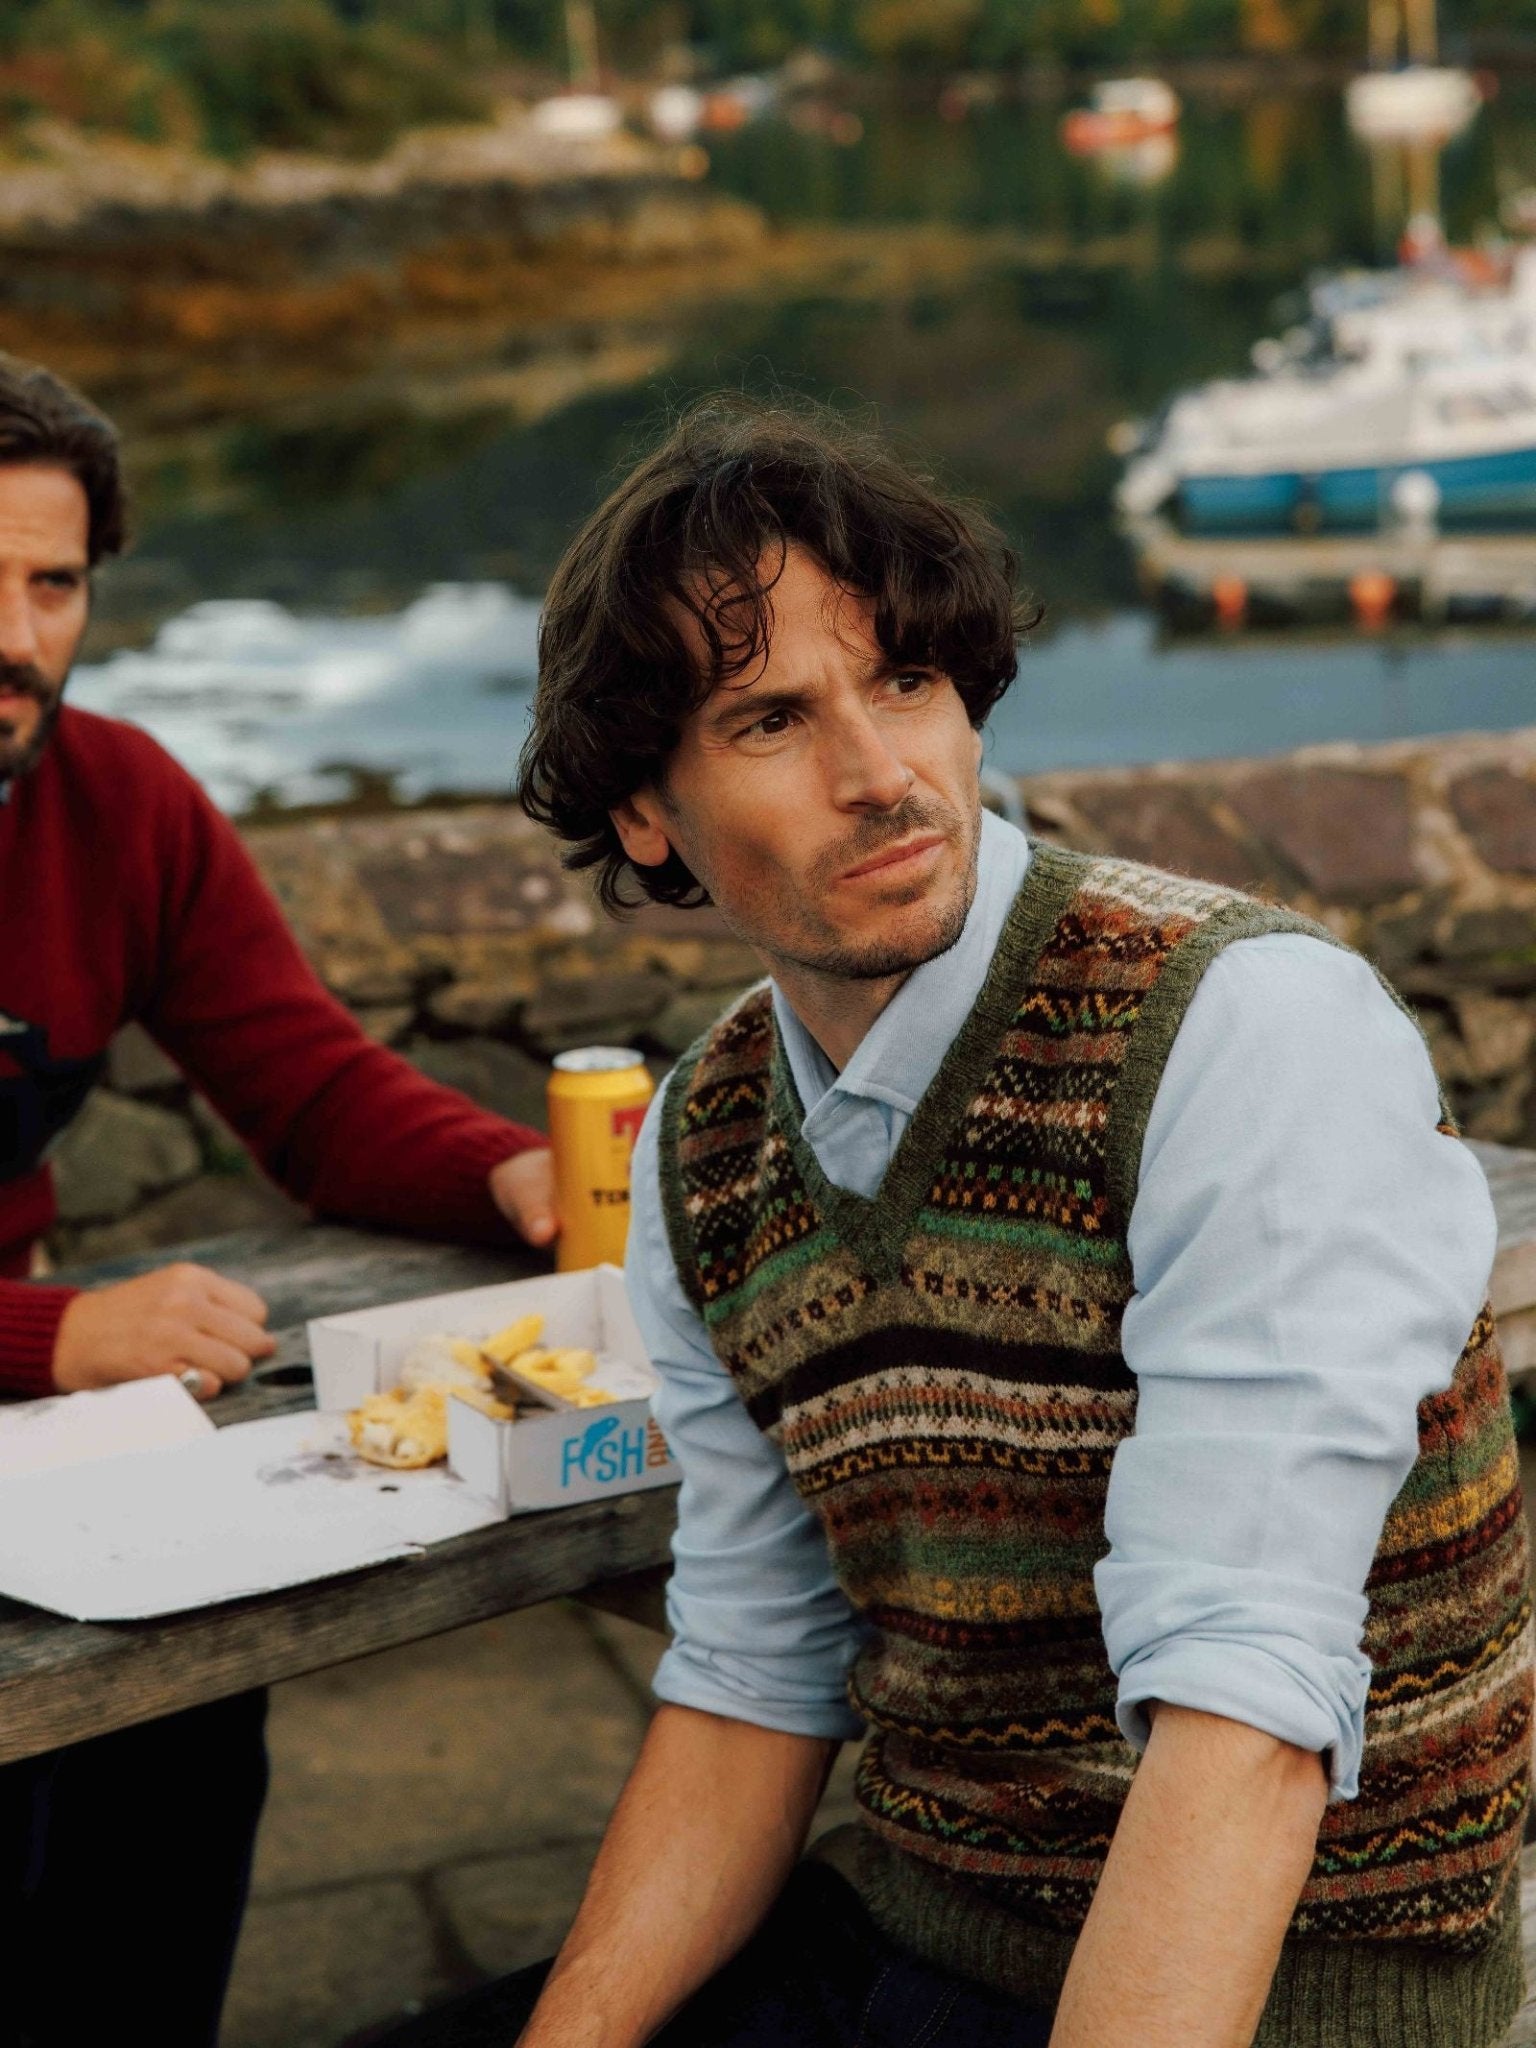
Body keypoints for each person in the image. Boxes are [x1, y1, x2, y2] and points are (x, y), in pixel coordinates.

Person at [383, 396, 1528, 2048]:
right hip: (935, 1923)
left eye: (907, 682)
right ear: (647, 810)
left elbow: (1247, 1718)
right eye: (772, 719)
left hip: (1292, 1978)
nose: (881, 777)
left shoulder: (1244, 1029)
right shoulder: (704, 1145)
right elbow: (753, 1678)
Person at [0, 352, 559, 2048]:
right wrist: (56, 1330)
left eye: (51, 583)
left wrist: (511, 1169)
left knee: (181, 1693)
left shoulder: (121, 803)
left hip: (27, 1440)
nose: (16, 637)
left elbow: (308, 1091)